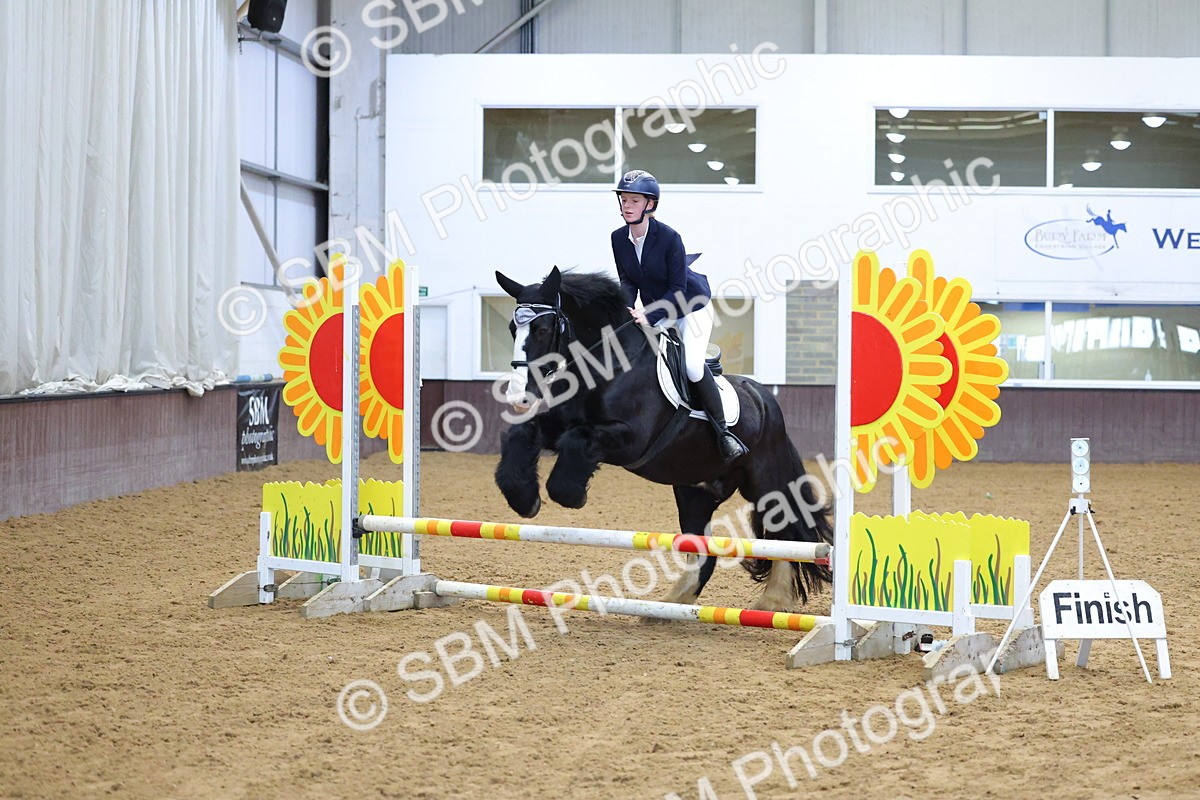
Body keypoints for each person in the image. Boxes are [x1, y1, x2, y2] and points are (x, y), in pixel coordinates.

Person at [609, 169, 748, 464]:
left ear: (650, 205)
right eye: (624, 200)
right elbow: (628, 281)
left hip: (690, 307)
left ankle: (724, 433)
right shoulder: (618, 238)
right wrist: (622, 310)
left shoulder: (670, 238)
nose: (627, 205)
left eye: (634, 200)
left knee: (692, 366)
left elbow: (677, 289)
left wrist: (649, 313)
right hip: (657, 311)